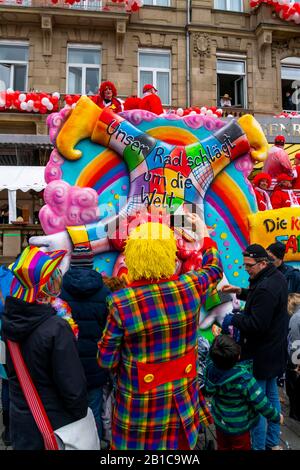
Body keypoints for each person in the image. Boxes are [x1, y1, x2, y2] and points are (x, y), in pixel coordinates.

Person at [97, 216, 223, 450]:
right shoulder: (189, 285)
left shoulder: (121, 302)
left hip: (139, 407)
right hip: (181, 401)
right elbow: (214, 268)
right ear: (170, 255)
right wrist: (204, 235)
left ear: (132, 256)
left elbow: (106, 360)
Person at [1, 246, 89, 450]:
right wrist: (79, 415)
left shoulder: (9, 320)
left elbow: (9, 371)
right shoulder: (56, 327)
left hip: (22, 423)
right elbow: (73, 389)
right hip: (54, 427)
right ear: (47, 286)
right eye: (55, 275)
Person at [221, 243, 289, 450]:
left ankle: (259, 446)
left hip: (260, 355)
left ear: (261, 263)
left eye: (249, 265)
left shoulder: (266, 288)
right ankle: (272, 442)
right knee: (270, 397)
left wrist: (233, 319)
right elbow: (259, 298)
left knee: (257, 405)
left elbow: (257, 324)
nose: (246, 269)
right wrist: (239, 291)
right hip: (274, 351)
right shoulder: (274, 277)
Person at [60, 243, 111, 446]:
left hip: (67, 364)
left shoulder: (60, 290)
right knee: (94, 410)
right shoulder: (104, 292)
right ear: (91, 264)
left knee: (70, 412)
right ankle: (94, 443)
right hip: (95, 365)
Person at [204, 335, 283, 451]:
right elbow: (261, 402)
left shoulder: (211, 371)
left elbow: (208, 390)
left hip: (220, 423)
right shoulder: (245, 379)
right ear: (238, 357)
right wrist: (276, 416)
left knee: (222, 447)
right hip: (240, 427)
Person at [286, 293, 300, 421]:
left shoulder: (295, 317)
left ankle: (295, 411)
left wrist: (295, 362)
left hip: (296, 357)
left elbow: (295, 342)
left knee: (293, 385)